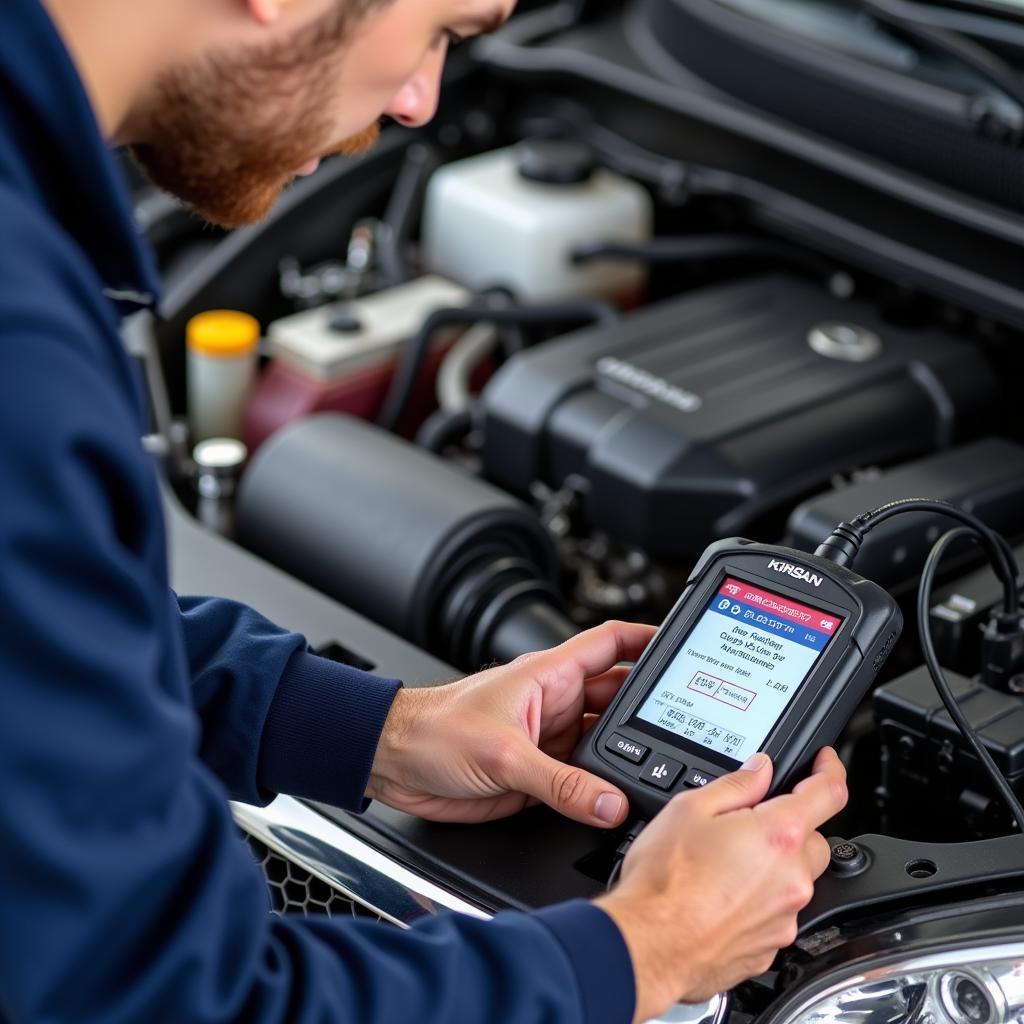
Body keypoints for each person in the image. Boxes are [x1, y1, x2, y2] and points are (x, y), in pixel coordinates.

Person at [0, 0, 848, 1021]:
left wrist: (366, 727)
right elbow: (166, 998)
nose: (419, 102)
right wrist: (642, 950)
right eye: (444, 27)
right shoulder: (22, 349)